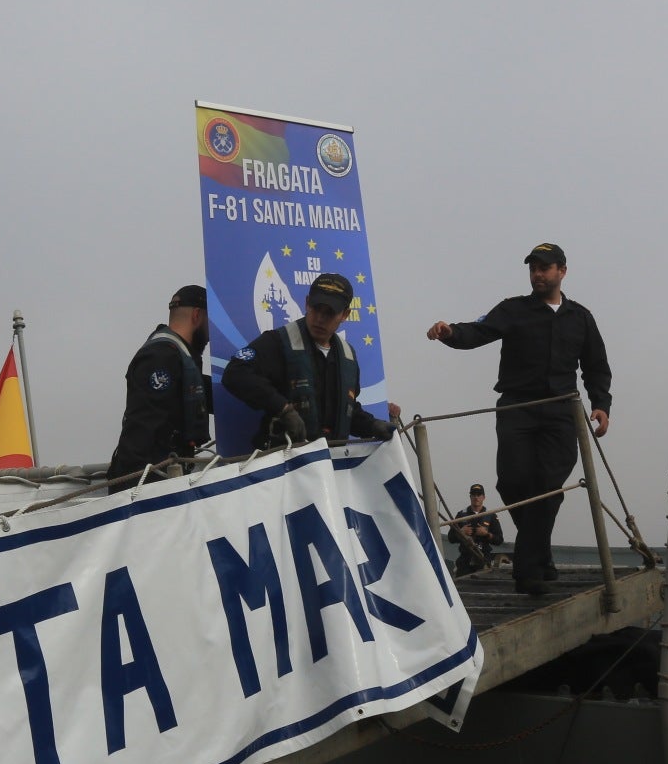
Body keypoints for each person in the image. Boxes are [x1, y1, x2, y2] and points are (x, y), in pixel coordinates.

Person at [425, 242, 611, 596]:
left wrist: (601, 403)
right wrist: (450, 333)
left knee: (546, 487)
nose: (538, 274)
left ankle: (527, 572)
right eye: (533, 268)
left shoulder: (581, 318)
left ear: (562, 271)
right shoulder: (513, 309)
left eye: (545, 268)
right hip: (516, 408)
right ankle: (540, 555)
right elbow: (478, 331)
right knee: (512, 484)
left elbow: (596, 367)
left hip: (561, 412)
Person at [222, 272, 398, 450]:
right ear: (307, 303)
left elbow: (347, 412)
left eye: (329, 312)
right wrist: (283, 409)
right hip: (283, 463)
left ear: (345, 314)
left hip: (332, 466)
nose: (320, 318)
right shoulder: (278, 342)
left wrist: (373, 425)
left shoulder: (348, 356)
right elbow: (234, 373)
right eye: (316, 308)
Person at [108, 285, 213, 491]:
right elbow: (144, 427)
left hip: (165, 473)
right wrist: (136, 486)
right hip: (148, 480)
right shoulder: (161, 357)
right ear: (197, 315)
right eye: (211, 322)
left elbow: (208, 393)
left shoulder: (180, 358)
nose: (211, 333)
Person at [447, 483, 503, 576]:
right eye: (473, 495)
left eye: (479, 495)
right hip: (465, 561)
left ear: (483, 497)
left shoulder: (491, 516)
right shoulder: (461, 515)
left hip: (483, 560)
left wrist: (486, 534)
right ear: (470, 497)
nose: (476, 497)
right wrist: (461, 533)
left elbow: (499, 540)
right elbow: (450, 538)